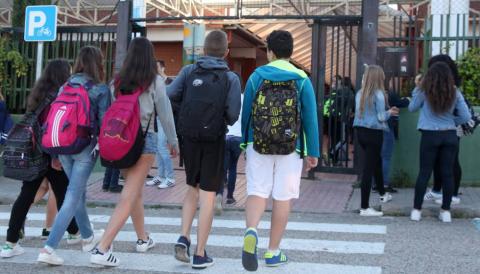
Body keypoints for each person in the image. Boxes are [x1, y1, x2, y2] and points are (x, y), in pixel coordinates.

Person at [90, 37, 178, 266]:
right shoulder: (155, 81)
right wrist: (173, 141)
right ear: (149, 57)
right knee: (129, 194)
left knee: (134, 192)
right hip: (144, 140)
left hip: (121, 141)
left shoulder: (116, 83)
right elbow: (165, 113)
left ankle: (143, 239)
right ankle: (102, 249)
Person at [240, 30, 319, 271]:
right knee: (283, 197)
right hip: (290, 145)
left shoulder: (256, 76)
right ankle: (273, 252)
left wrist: (246, 141)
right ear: (291, 52)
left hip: (258, 141)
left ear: (269, 52)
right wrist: (312, 151)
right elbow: (310, 118)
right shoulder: (302, 79)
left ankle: (252, 230)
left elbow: (247, 114)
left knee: (256, 190)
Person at [168, 30, 241, 269]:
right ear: (226, 53)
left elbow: (170, 94)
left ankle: (184, 236)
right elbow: (232, 114)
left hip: (189, 137)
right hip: (213, 139)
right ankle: (200, 254)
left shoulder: (189, 71)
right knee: (209, 195)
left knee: (192, 188)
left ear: (202, 50)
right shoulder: (230, 78)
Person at [37, 47, 110, 265]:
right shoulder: (99, 89)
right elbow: (104, 123)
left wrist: (54, 154)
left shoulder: (65, 85)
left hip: (62, 146)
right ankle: (49, 248)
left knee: (76, 193)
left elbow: (55, 121)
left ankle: (87, 237)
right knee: (72, 195)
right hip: (83, 148)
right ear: (98, 64)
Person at [0, 59, 80, 259]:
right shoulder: (57, 97)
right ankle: (75, 233)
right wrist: (56, 157)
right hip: (48, 154)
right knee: (62, 194)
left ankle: (10, 243)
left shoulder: (38, 96)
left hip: (34, 154)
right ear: (62, 75)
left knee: (32, 195)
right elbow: (50, 129)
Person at [409, 62, 471, 223]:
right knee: (448, 173)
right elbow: (465, 117)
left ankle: (416, 211)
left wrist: (417, 87)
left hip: (429, 135)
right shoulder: (455, 92)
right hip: (449, 135)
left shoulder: (425, 90)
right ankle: (446, 212)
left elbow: (411, 107)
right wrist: (451, 121)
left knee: (424, 172)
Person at [424, 54, 478, 205]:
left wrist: (454, 123)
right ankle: (436, 190)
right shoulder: (438, 82)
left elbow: (463, 113)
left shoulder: (451, 85)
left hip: (453, 125)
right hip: (442, 126)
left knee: (452, 160)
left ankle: (453, 194)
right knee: (438, 159)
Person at [353, 65, 397, 217]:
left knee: (376, 162)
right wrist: (390, 112)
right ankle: (364, 207)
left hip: (360, 133)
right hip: (374, 133)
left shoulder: (360, 93)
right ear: (378, 77)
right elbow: (380, 117)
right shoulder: (378, 94)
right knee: (368, 170)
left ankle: (383, 195)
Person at [373, 81, 410, 193]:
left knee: (378, 157)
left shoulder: (372, 95)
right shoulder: (389, 95)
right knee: (386, 157)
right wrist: (408, 99)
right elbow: (402, 103)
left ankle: (375, 183)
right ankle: (383, 184)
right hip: (387, 128)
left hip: (375, 129)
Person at [146, 60, 176, 189]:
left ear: (163, 68)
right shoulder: (153, 83)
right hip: (155, 119)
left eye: (157, 67)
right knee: (158, 148)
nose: (155, 69)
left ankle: (170, 177)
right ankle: (161, 175)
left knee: (162, 147)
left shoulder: (169, 82)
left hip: (164, 119)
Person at [215, 90, 244, 215]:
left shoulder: (224, 95)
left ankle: (219, 194)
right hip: (238, 138)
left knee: (222, 168)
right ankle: (230, 197)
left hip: (225, 136)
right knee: (233, 167)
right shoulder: (243, 98)